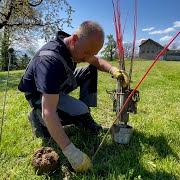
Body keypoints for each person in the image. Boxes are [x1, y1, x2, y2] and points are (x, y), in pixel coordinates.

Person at [18, 21, 128, 172]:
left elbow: (96, 62)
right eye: (87, 53)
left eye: (92, 53)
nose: (89, 57)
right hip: (40, 96)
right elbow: (48, 111)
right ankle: (37, 117)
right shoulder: (50, 61)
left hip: (60, 82)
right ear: (75, 39)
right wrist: (71, 152)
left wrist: (113, 70)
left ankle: (84, 116)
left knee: (90, 70)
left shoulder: (75, 46)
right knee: (72, 111)